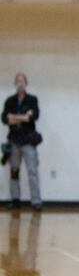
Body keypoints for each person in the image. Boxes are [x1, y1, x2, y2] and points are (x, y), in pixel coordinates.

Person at [1, 72, 42, 210]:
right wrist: (24, 116)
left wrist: (14, 117)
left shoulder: (32, 100)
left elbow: (34, 116)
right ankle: (15, 200)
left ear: (26, 82)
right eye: (17, 81)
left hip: (28, 141)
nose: (20, 83)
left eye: (22, 80)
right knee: (14, 171)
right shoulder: (10, 101)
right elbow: (5, 119)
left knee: (32, 171)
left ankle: (36, 201)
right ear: (14, 83)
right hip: (14, 141)